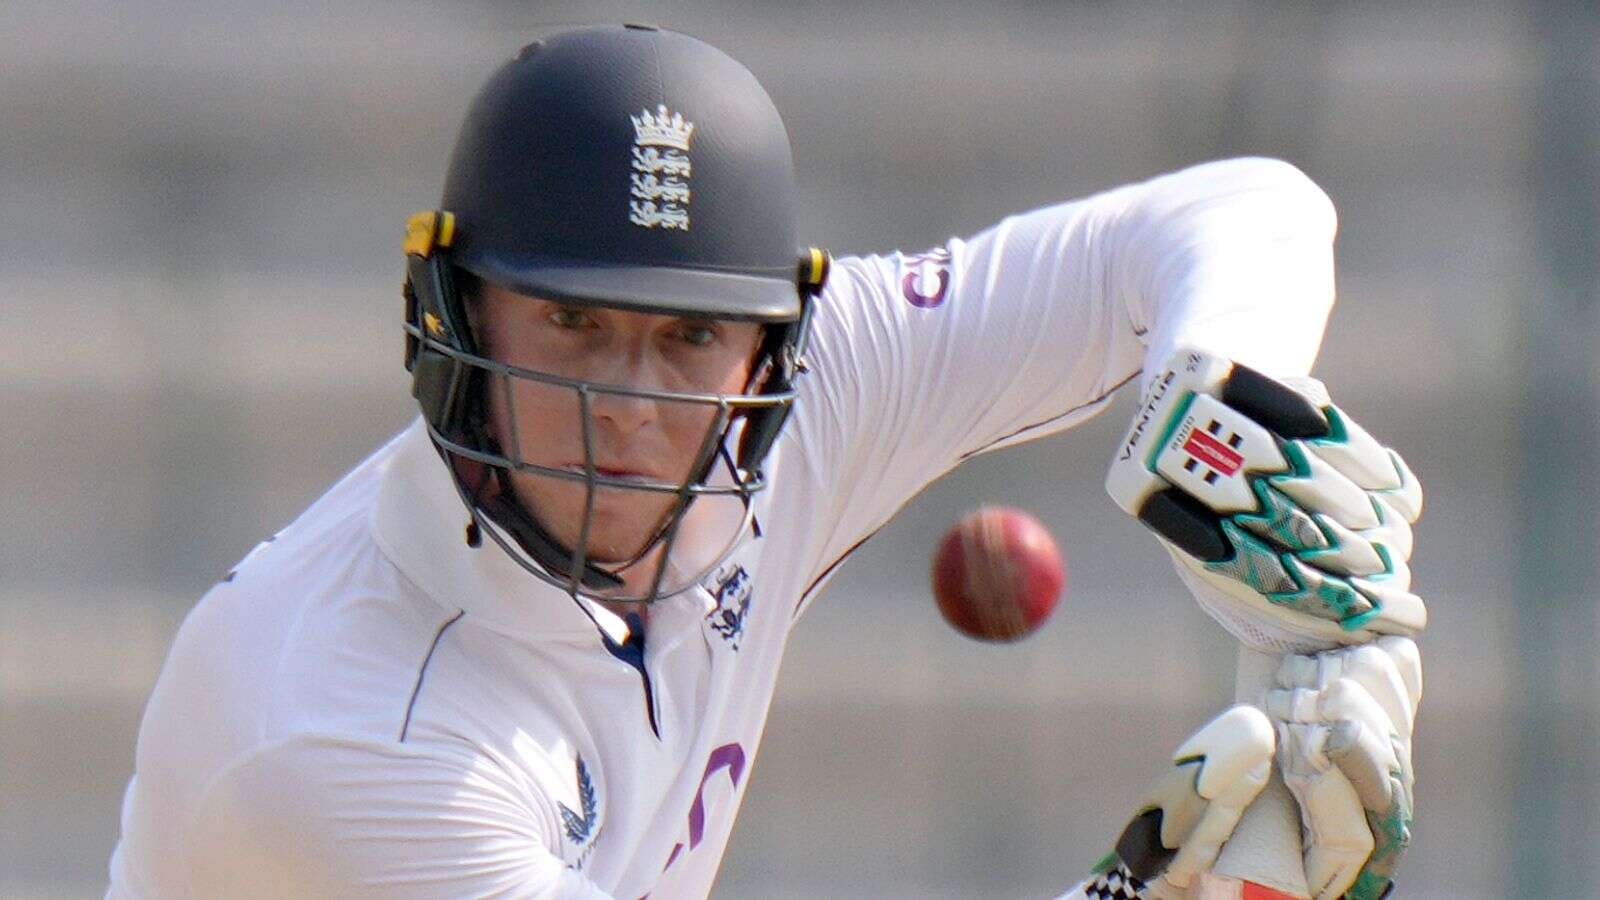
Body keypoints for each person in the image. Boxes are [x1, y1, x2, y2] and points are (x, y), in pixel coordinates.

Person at [107, 24, 1424, 900]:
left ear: (764, 349)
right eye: (572, 321)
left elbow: (1246, 209)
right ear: (453, 315)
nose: (630, 405)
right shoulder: (341, 731)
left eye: (687, 336)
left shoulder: (797, 396)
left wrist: (1228, 401)